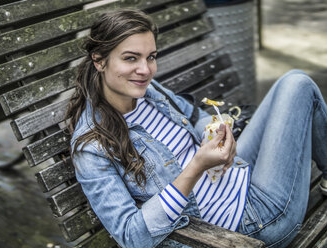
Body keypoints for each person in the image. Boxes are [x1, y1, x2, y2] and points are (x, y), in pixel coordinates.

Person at [66, 9, 327, 248]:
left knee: (293, 81)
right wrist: (196, 167)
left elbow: (195, 116)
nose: (145, 70)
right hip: (248, 224)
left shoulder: (147, 91)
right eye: (130, 58)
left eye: (151, 57)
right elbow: (131, 236)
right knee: (299, 87)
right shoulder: (92, 148)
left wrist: (216, 131)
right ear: (99, 61)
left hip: (237, 175)